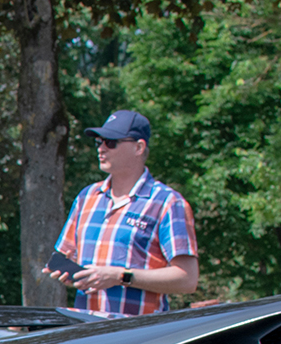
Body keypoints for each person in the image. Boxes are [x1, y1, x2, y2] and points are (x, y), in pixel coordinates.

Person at [46, 110, 198, 315]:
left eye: (110, 142)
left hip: (140, 337)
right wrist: (73, 275)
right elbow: (66, 255)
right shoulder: (87, 197)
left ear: (139, 147)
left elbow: (187, 280)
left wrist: (121, 276)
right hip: (87, 332)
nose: (101, 148)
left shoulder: (168, 203)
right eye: (98, 142)